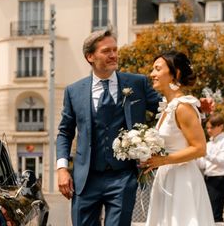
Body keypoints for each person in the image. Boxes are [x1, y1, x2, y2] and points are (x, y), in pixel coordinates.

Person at [56, 29, 160, 226]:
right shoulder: (74, 91)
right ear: (90, 57)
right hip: (85, 179)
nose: (113, 55)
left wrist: (193, 105)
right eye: (106, 51)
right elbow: (65, 132)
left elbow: (165, 108)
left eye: (115, 49)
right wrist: (62, 169)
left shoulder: (137, 83)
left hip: (122, 177)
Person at [142, 51, 215, 225]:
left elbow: (199, 148)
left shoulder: (183, 107)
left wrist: (164, 160)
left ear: (176, 74)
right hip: (166, 177)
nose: (152, 74)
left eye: (157, 69)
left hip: (182, 181)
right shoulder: (168, 108)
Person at [197, 113, 224, 222]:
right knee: (208, 214)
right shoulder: (208, 144)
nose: (208, 130)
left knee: (215, 215)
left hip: (220, 180)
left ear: (221, 126)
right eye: (207, 127)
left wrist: (204, 153)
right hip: (208, 179)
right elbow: (203, 165)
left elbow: (223, 162)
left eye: (211, 127)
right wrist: (194, 156)